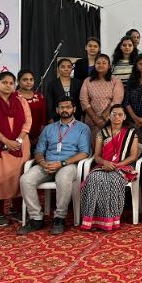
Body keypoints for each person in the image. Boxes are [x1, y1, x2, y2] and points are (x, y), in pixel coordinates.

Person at [18, 97, 91, 235]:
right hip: (47, 164)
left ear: (74, 109)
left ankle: (59, 218)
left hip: (68, 164)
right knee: (25, 180)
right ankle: (36, 218)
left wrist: (62, 163)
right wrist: (42, 162)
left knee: (63, 178)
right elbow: (39, 151)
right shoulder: (49, 128)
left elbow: (84, 153)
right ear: (57, 110)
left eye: (68, 107)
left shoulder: (82, 128)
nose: (65, 110)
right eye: (61, 107)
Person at [0, 71, 32, 227]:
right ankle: (0, 213)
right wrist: (6, 141)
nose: (8, 86)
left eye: (11, 83)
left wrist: (18, 140)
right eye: (4, 82)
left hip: (19, 145)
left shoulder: (21, 101)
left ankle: (16, 210)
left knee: (18, 177)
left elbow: (28, 122)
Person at [80, 105, 139, 231]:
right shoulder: (102, 133)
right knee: (94, 179)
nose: (117, 117)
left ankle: (109, 221)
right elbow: (96, 156)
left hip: (122, 167)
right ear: (109, 116)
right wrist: (105, 163)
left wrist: (118, 165)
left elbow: (133, 156)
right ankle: (92, 221)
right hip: (103, 166)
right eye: (114, 114)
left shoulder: (131, 133)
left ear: (124, 117)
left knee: (111, 181)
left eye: (120, 114)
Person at [79, 54, 124, 144]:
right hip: (91, 119)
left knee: (109, 145)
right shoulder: (88, 81)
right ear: (94, 65)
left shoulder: (115, 81)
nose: (101, 65)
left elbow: (117, 100)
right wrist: (94, 118)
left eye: (104, 63)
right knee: (91, 145)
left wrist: (104, 117)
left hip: (110, 118)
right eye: (98, 63)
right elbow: (83, 100)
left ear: (109, 66)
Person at [45, 58, 83, 123]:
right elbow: (49, 103)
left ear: (72, 68)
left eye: (69, 67)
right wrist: (50, 118)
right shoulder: (52, 84)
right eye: (63, 67)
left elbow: (80, 101)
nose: (66, 69)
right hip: (56, 118)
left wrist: (81, 116)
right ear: (58, 68)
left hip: (75, 117)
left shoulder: (78, 83)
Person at [16, 69, 47, 147]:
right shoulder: (13, 97)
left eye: (31, 79)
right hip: (18, 138)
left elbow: (43, 119)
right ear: (18, 81)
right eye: (25, 80)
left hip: (38, 138)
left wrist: (39, 137)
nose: (29, 82)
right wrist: (23, 137)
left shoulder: (39, 97)